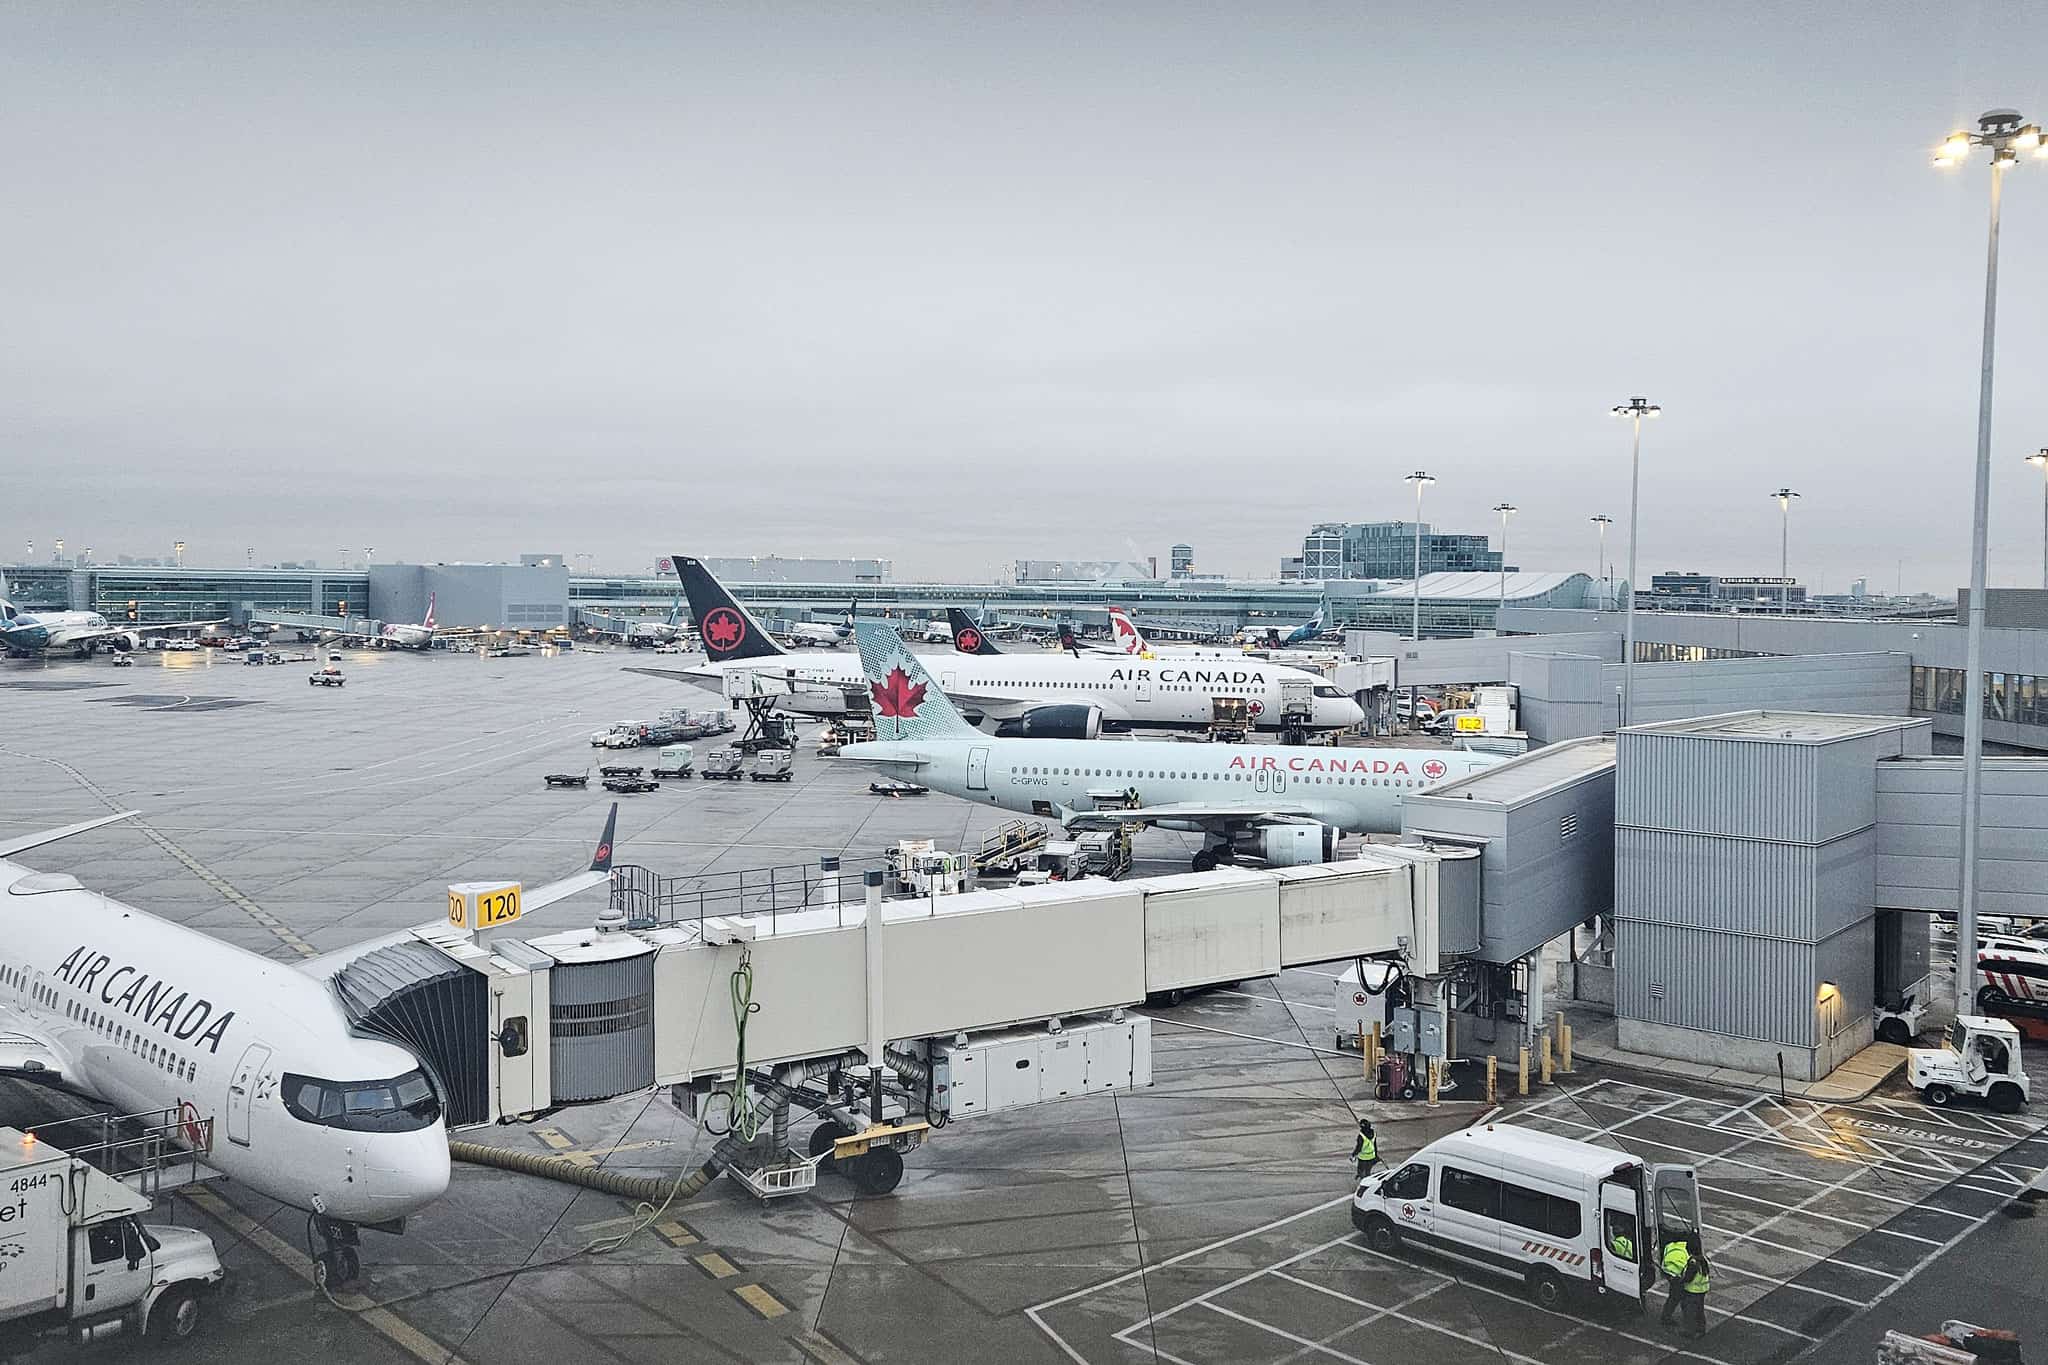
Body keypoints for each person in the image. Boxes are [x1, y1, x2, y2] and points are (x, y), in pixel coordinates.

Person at [1678, 1234, 1711, 1338]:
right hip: (1702, 1290)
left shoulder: (1693, 1262)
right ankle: (1701, 1329)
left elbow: (1688, 1278)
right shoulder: (1702, 1259)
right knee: (1699, 1310)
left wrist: (1680, 1280)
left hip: (1692, 1291)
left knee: (1689, 1312)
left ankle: (1689, 1331)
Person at [1659, 1237, 1691, 1328]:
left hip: (1668, 1272)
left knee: (1674, 1297)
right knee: (1677, 1297)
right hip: (1677, 1276)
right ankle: (1666, 1317)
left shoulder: (1669, 1246)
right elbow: (1686, 1268)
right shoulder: (1685, 1251)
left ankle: (1666, 1316)